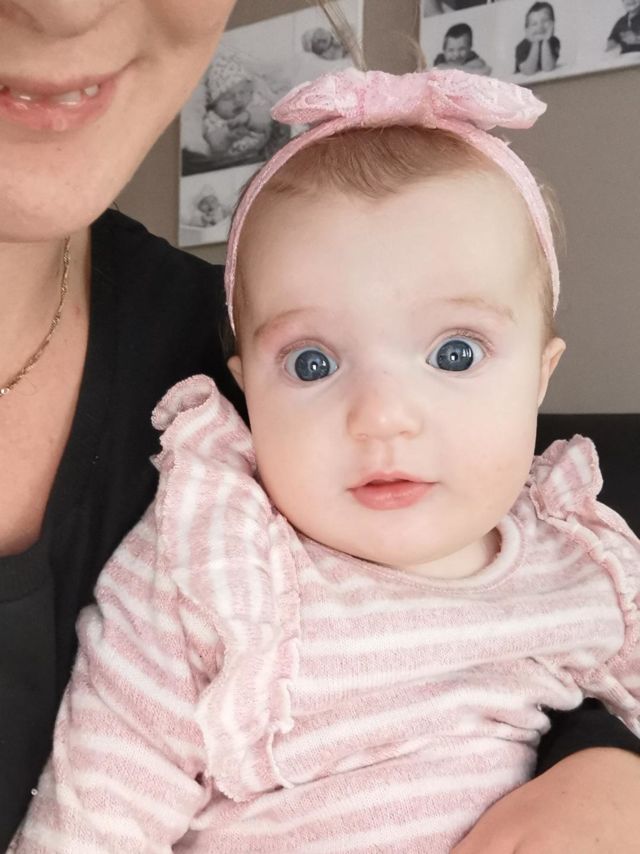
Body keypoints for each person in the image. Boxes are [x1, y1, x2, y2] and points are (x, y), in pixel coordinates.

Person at [1, 2, 639, 852]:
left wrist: (611, 772)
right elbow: (101, 806)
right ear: (245, 394)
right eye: (311, 365)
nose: (382, 417)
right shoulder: (214, 562)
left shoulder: (584, 565)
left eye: (454, 354)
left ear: (541, 376)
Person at [202, 52, 273, 161]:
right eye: (228, 97)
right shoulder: (213, 119)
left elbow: (269, 119)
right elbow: (213, 144)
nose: (238, 100)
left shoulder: (254, 103)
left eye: (242, 92)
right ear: (214, 105)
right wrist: (227, 135)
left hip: (264, 155)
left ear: (250, 90)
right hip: (233, 163)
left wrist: (248, 118)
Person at [515, 2, 560, 75]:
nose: (540, 27)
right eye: (534, 24)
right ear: (527, 30)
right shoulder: (521, 47)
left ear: (553, 24)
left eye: (545, 21)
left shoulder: (554, 41)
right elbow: (528, 71)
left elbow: (548, 68)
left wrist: (545, 41)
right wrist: (535, 43)